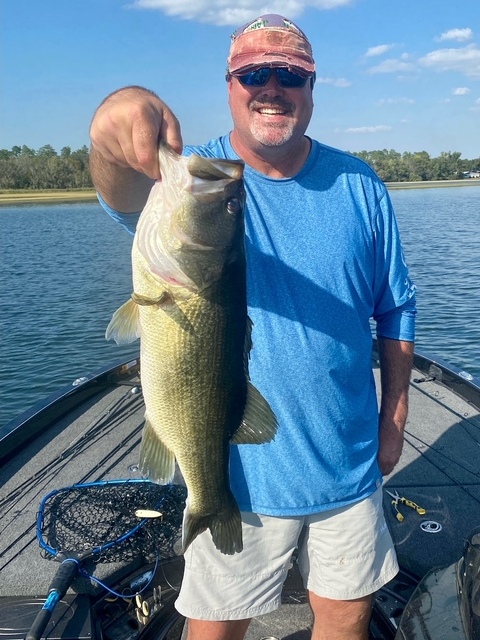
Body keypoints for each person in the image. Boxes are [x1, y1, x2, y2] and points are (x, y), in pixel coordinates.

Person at [89, 14, 416, 640]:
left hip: (347, 462)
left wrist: (394, 415)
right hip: (236, 468)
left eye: (290, 74)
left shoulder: (361, 185)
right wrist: (113, 124)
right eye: (254, 73)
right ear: (231, 84)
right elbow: (123, 186)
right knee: (215, 625)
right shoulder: (195, 178)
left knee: (347, 616)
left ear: (312, 88)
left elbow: (395, 307)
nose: (272, 86)